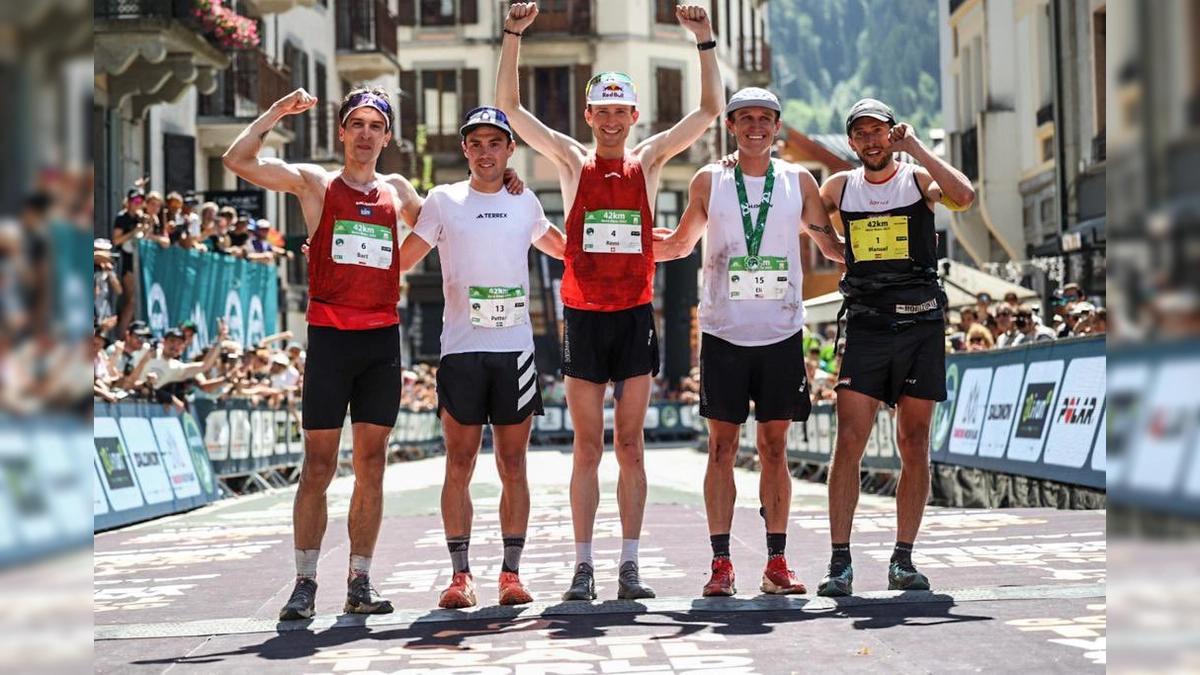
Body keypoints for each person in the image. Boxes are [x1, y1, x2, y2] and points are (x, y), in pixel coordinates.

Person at [496, 1, 722, 601]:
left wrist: (703, 40)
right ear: (590, 114)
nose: (613, 121)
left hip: (632, 317)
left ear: (634, 114)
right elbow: (513, 111)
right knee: (587, 448)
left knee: (631, 445)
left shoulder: (648, 161)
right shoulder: (573, 159)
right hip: (583, 318)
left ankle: (629, 565)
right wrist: (514, 34)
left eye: (622, 111)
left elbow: (707, 112)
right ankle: (583, 565)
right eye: (604, 111)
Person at [222, 85, 427, 621]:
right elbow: (237, 160)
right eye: (356, 124)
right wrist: (274, 111)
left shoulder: (397, 188)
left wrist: (507, 183)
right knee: (317, 466)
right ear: (342, 131)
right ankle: (306, 581)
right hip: (331, 340)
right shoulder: (316, 183)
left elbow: (444, 224)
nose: (365, 134)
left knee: (372, 467)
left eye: (375, 126)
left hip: (381, 339)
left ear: (386, 136)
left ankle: (360, 578)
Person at [654, 88, 844, 597]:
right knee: (721, 449)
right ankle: (721, 564)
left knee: (775, 448)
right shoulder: (709, 180)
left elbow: (829, 244)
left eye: (765, 118)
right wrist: (624, 241)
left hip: (782, 334)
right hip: (723, 334)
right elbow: (677, 244)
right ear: (731, 126)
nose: (756, 126)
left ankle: (777, 563)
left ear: (777, 126)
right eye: (746, 119)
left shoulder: (799, 180)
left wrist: (883, 242)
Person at [396, 106, 565, 609]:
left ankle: (511, 574)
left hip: (514, 352)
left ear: (510, 150)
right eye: (477, 143)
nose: (486, 151)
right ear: (465, 149)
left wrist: (630, 248)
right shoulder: (444, 201)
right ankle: (460, 575)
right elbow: (404, 258)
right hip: (462, 351)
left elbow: (563, 248)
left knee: (514, 464)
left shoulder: (526, 200)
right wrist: (334, 258)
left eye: (496, 142)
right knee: (460, 464)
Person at [817, 98, 975, 596]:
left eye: (878, 131)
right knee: (849, 444)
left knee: (913, 443)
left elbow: (963, 197)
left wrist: (919, 148)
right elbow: (804, 211)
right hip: (866, 326)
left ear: (892, 134)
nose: (871, 140)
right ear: (851, 141)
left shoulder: (915, 178)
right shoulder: (840, 186)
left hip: (921, 325)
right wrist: (830, 247)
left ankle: (902, 559)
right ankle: (839, 563)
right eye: (860, 133)